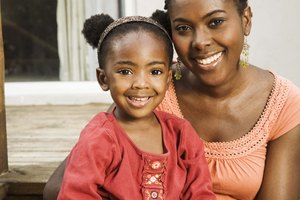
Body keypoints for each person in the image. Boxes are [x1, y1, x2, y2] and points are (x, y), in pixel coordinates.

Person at [44, 0, 300, 199]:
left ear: (245, 20)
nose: (200, 42)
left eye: (215, 22)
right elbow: (61, 186)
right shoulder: (151, 91)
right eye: (183, 28)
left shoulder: (281, 102)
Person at [56, 14, 216, 200]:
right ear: (103, 79)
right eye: (125, 72)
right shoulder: (99, 140)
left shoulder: (181, 134)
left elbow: (201, 194)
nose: (140, 84)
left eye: (155, 71)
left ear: (167, 78)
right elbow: (75, 195)